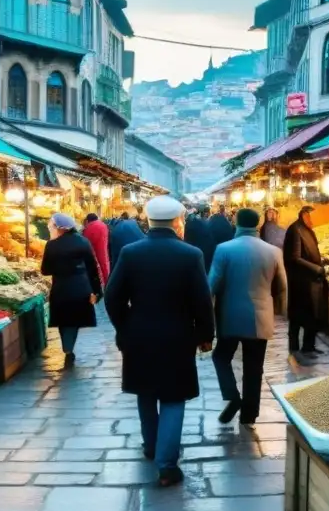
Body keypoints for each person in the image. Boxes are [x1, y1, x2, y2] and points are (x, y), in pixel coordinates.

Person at [105, 195, 214, 487]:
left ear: (149, 221)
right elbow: (203, 302)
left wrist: (123, 326)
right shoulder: (191, 255)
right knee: (173, 397)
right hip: (178, 337)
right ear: (178, 222)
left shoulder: (130, 252)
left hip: (138, 336)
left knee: (146, 392)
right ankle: (166, 465)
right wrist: (205, 335)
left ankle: (152, 446)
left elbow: (112, 296)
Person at [208, 208, 287, 425]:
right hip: (260, 317)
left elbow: (211, 285)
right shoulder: (273, 251)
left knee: (221, 357)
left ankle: (232, 396)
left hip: (229, 315)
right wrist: (275, 308)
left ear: (236, 221)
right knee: (254, 366)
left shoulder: (223, 249)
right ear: (257, 223)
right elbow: (281, 287)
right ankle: (249, 414)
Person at [41, 213, 103, 368]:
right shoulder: (84, 242)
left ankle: (67, 349)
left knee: (63, 320)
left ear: (61, 228)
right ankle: (69, 347)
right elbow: (92, 268)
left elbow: (45, 270)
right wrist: (97, 290)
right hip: (81, 286)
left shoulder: (51, 245)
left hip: (61, 287)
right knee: (75, 319)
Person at [283, 206, 329, 361]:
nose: (313, 220)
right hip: (300, 282)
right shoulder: (295, 230)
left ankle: (309, 347)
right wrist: (316, 269)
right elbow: (294, 258)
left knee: (312, 315)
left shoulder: (308, 230)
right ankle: (294, 348)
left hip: (313, 281)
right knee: (297, 316)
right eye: (310, 217)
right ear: (303, 215)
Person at [81, 212, 110, 287]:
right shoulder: (103, 225)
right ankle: (107, 283)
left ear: (87, 220)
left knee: (97, 266)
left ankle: (101, 284)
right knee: (105, 263)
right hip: (103, 248)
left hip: (94, 250)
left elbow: (85, 241)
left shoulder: (89, 227)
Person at [185, 205, 216, 272]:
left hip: (194, 253)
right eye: (207, 212)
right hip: (204, 254)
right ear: (205, 213)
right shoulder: (208, 223)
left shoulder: (192, 223)